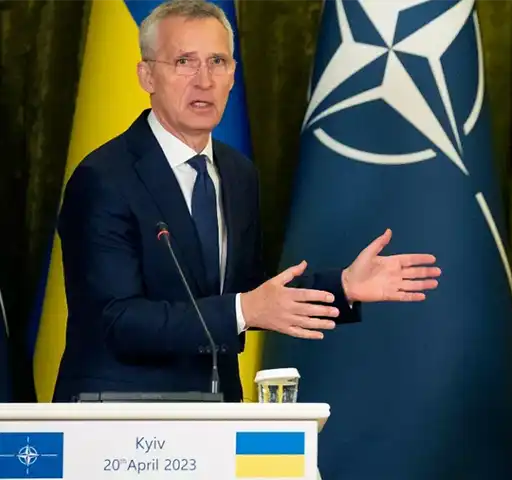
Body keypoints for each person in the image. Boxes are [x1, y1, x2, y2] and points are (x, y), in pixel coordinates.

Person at [52, 0, 441, 403]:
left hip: (216, 413)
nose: (204, 80)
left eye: (217, 62)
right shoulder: (103, 178)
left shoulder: (237, 174)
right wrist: (243, 310)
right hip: (117, 417)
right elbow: (117, 320)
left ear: (232, 75)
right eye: (184, 61)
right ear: (147, 75)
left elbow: (247, 292)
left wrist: (342, 286)